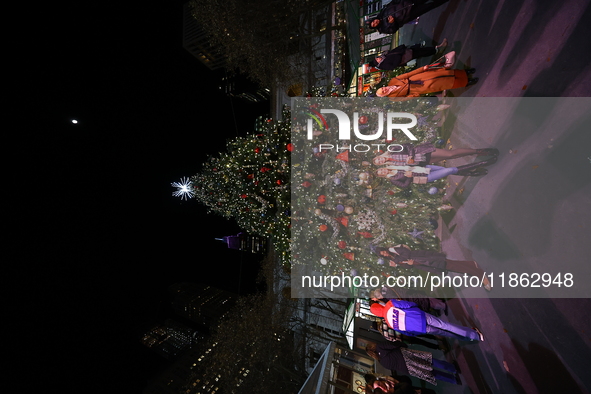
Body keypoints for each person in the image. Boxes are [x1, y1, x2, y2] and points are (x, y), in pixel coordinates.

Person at [371, 244, 492, 290]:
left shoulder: (394, 249)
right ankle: (471, 265)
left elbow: (407, 253)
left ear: (385, 249)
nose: (385, 254)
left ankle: (480, 275)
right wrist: (398, 266)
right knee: (450, 265)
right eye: (383, 255)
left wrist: (399, 262)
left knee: (451, 265)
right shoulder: (393, 259)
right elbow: (408, 267)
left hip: (427, 259)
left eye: (383, 252)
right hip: (425, 265)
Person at [369, 299, 485, 342]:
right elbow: (409, 304)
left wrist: (418, 331)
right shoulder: (390, 304)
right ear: (379, 305)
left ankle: (465, 337)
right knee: (445, 325)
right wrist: (416, 309)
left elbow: (406, 333)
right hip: (421, 316)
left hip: (421, 328)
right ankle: (474, 335)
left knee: (444, 332)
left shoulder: (390, 324)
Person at [366, 342, 459, 385]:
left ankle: (453, 380)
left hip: (408, 369)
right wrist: (402, 344)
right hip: (407, 356)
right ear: (372, 346)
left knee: (430, 373)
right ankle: (453, 368)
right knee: (430, 361)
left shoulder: (381, 362)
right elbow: (393, 345)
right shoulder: (380, 346)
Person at [374, 157, 497, 186]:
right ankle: (483, 163)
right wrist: (409, 177)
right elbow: (405, 186)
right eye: (382, 173)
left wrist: (410, 162)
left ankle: (472, 173)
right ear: (383, 176)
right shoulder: (393, 179)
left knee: (450, 171)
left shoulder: (394, 164)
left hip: (426, 168)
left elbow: (411, 161)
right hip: (425, 177)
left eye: (381, 169)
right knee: (451, 169)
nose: (383, 171)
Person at [376, 66, 479, 99]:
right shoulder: (393, 98)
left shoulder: (392, 81)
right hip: (420, 88)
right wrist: (415, 95)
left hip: (419, 77)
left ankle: (464, 72)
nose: (385, 89)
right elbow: (404, 99)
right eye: (383, 92)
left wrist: (422, 69)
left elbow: (408, 74)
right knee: (445, 83)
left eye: (383, 88)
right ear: (384, 95)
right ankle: (466, 82)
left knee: (442, 73)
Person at [372, 142, 499, 167]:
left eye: (378, 160)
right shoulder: (391, 165)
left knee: (450, 154)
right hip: (423, 162)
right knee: (452, 157)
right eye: (379, 163)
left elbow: (407, 145)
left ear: (379, 156)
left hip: (423, 152)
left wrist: (410, 156)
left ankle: (479, 151)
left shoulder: (392, 149)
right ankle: (477, 153)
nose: (380, 161)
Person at [366, 0, 450, 35]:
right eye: (374, 25)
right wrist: (392, 23)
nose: (375, 22)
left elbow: (393, 2)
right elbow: (393, 30)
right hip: (409, 14)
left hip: (408, 3)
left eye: (373, 21)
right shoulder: (383, 29)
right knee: (429, 6)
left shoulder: (382, 12)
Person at [369, 40, 448, 70]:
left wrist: (400, 48)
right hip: (406, 57)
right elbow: (393, 66)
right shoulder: (384, 65)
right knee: (422, 53)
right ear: (378, 64)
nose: (378, 59)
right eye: (377, 61)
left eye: (377, 58)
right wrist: (399, 57)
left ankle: (437, 48)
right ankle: (436, 50)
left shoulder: (383, 56)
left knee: (421, 50)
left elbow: (392, 51)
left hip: (405, 52)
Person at [370, 287, 447, 315]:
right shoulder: (385, 288)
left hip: (408, 298)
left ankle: (443, 306)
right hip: (408, 294)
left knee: (426, 301)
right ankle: (440, 303)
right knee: (425, 299)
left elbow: (397, 300)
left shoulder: (387, 295)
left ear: (379, 295)